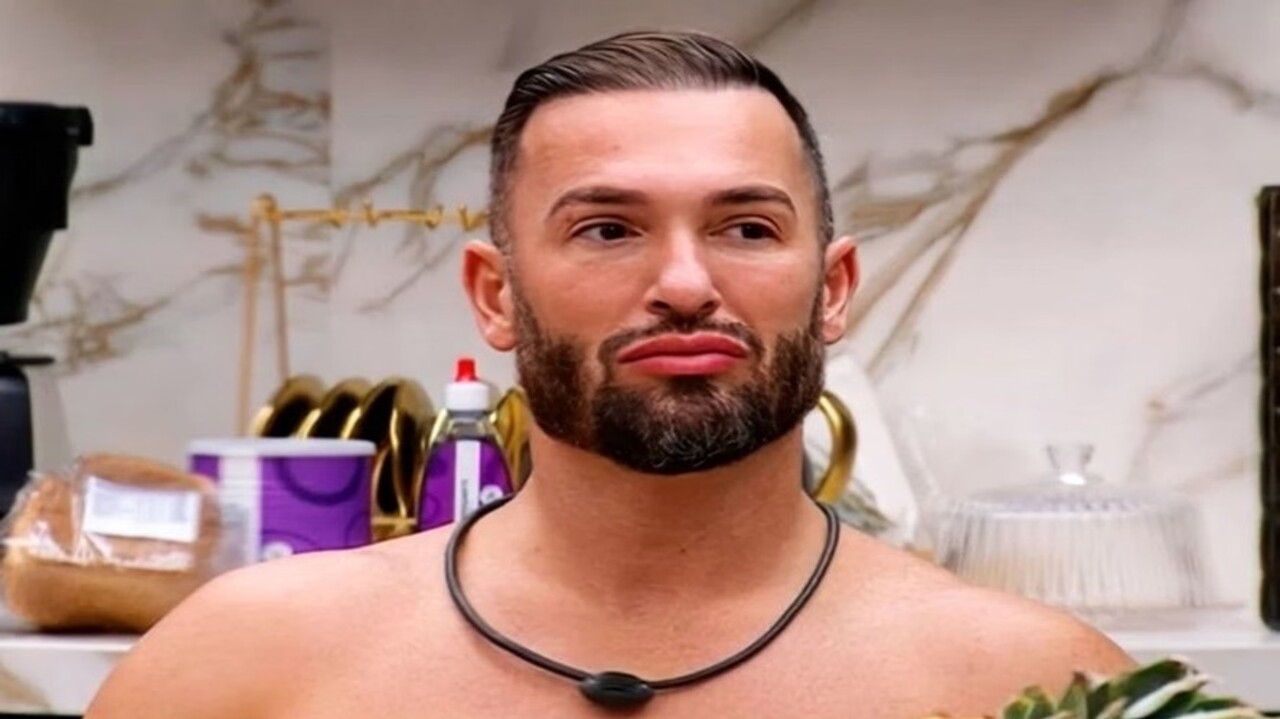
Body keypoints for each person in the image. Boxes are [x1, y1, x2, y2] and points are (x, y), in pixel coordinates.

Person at [87, 30, 1133, 719]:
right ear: (494, 295)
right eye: (606, 228)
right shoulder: (244, 665)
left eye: (746, 226)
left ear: (832, 286)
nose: (684, 285)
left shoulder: (1034, 682)